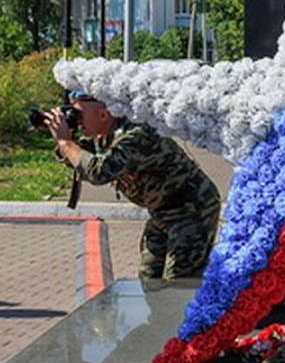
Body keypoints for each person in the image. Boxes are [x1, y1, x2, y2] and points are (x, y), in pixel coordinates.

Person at [44, 92, 220, 282]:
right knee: (149, 278)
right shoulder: (106, 136)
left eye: (78, 115)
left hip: (191, 210)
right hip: (162, 211)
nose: (76, 121)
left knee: (179, 283)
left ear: (104, 114)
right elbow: (82, 159)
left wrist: (65, 142)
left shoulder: (136, 135)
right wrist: (63, 137)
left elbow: (99, 171)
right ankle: (159, 312)